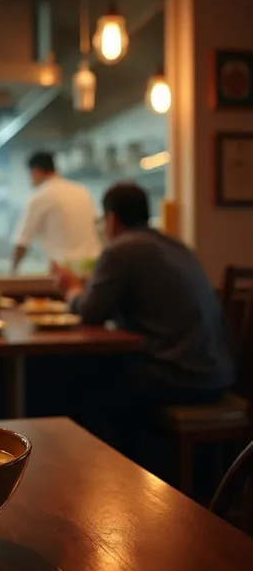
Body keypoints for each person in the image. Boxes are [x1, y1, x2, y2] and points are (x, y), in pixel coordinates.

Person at [54, 182, 235, 443]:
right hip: (219, 374)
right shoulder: (176, 245)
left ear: (112, 219)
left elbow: (91, 311)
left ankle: (116, 471)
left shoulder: (121, 248)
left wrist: (71, 289)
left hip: (179, 376)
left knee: (77, 390)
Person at [12, 152, 101, 273]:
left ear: (36, 172)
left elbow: (22, 242)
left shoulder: (40, 196)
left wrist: (13, 271)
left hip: (65, 271)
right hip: (93, 267)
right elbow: (99, 226)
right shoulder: (82, 191)